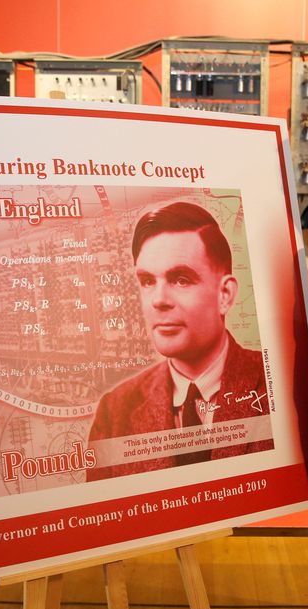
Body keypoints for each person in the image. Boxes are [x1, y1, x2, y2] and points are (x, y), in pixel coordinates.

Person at [87, 202, 271, 480]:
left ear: (225, 295)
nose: (159, 300)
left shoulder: (275, 385)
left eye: (181, 279)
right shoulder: (114, 412)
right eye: (148, 281)